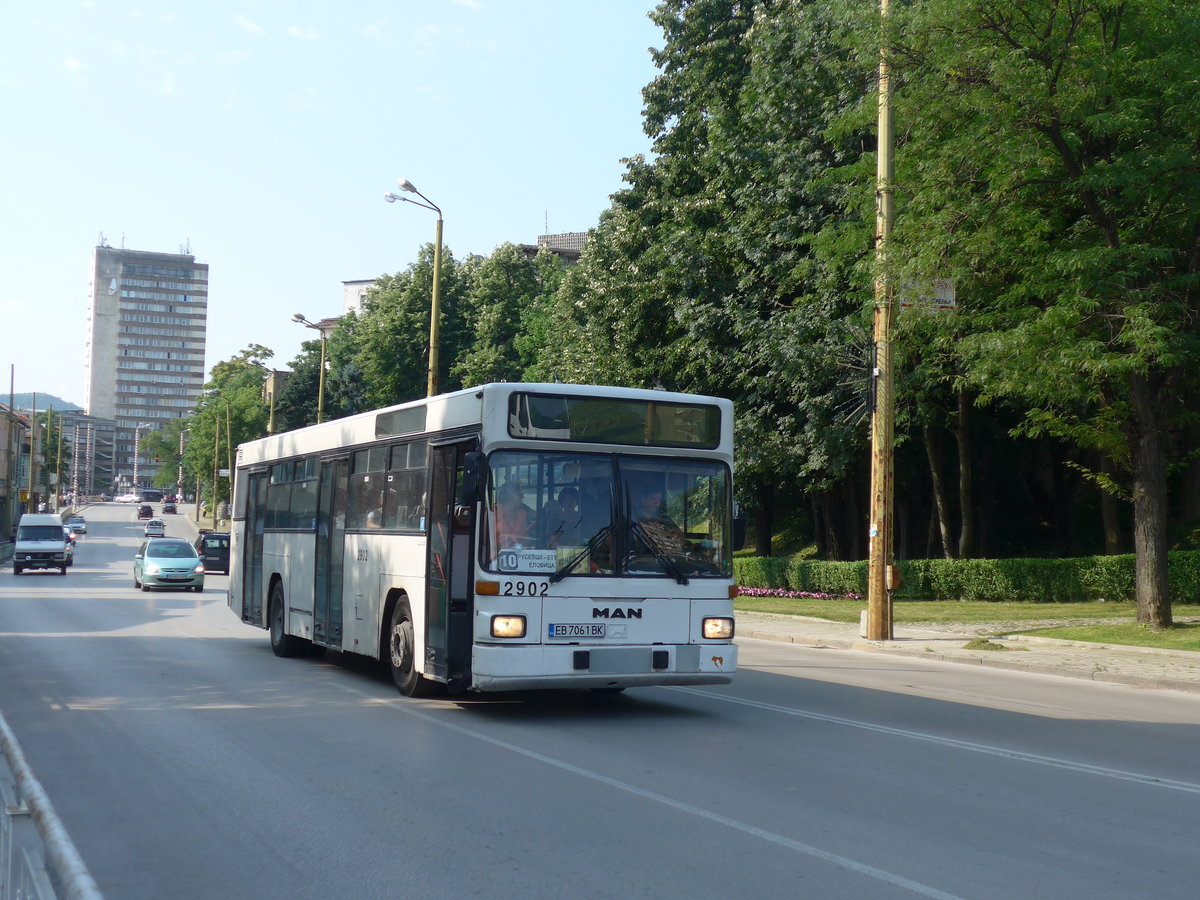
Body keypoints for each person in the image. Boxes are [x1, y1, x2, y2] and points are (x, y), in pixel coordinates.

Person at [490, 482, 533, 551]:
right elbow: (485, 539)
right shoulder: (495, 511)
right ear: (509, 496)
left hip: (518, 553)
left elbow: (526, 539)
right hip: (497, 554)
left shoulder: (522, 513)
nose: (523, 497)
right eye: (519, 494)